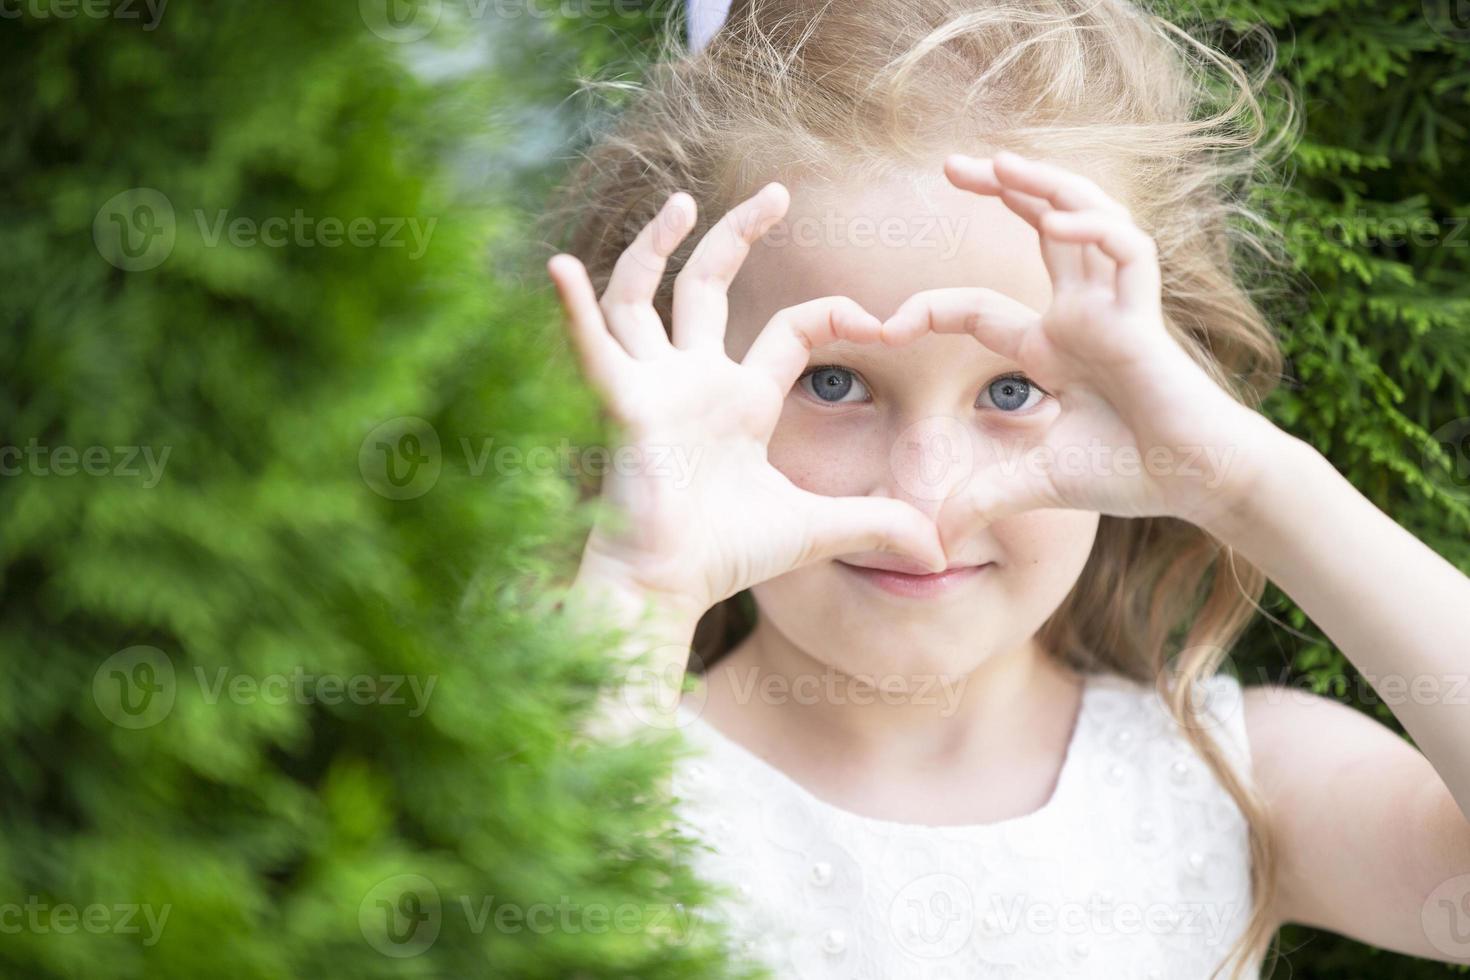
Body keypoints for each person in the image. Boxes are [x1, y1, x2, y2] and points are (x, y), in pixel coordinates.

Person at [544, 0, 1470, 976]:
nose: (927, 494)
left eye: (1014, 388)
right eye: (832, 381)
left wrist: (1247, 481)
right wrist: (643, 590)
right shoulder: (624, 767)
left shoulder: (1236, 781)